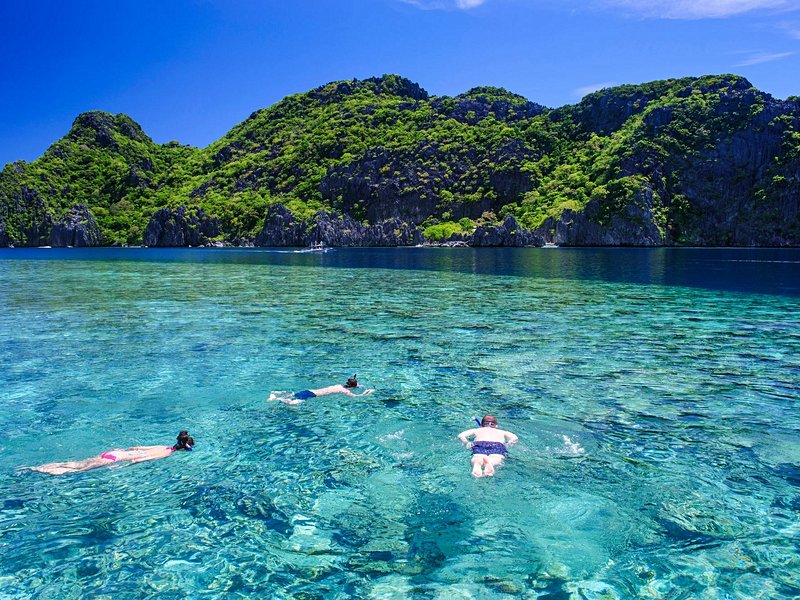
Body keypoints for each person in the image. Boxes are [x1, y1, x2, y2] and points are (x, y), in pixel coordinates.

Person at [29, 431, 194, 476]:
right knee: (77, 469)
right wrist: (125, 466)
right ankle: (44, 470)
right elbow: (142, 459)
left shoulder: (163, 446)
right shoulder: (166, 454)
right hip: (116, 459)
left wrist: (122, 454)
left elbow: (137, 448)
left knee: (77, 463)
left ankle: (39, 466)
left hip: (115, 453)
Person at [270, 374, 374, 404]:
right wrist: (366, 393)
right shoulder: (344, 391)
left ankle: (276, 394)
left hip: (308, 391)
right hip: (312, 395)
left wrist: (356, 385)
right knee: (292, 404)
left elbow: (350, 385)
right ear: (353, 387)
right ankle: (276, 398)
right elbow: (355, 397)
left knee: (291, 395)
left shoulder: (339, 386)